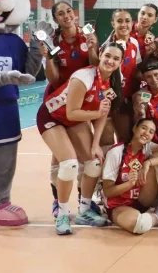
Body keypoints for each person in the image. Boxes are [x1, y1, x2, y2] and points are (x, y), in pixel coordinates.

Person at [38, 44, 123, 234]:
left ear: (120, 62)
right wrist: (96, 112)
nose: (111, 61)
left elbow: (103, 114)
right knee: (69, 164)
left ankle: (84, 210)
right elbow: (71, 112)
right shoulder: (83, 77)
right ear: (100, 55)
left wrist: (95, 145)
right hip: (52, 117)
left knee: (94, 162)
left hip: (76, 118)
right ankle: (62, 214)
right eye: (107, 56)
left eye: (116, 59)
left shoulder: (114, 81)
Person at [42, 0, 99, 217]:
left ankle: (83, 201)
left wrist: (94, 47)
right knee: (62, 157)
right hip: (58, 101)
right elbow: (55, 79)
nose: (67, 16)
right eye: (61, 14)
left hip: (80, 102)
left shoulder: (88, 35)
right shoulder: (53, 41)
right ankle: (58, 202)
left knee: (86, 159)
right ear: (56, 19)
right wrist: (47, 59)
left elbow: (95, 65)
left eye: (69, 12)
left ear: (74, 14)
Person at [101, 118, 158, 233]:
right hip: (119, 205)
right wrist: (129, 184)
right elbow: (108, 192)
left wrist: (148, 163)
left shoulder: (147, 148)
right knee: (139, 225)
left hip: (141, 200)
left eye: (151, 132)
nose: (147, 133)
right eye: (144, 128)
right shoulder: (116, 152)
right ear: (134, 128)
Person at [104, 9, 142, 143]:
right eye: (119, 21)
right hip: (116, 100)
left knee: (133, 136)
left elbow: (136, 69)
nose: (124, 24)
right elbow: (102, 77)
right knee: (123, 139)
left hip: (132, 97)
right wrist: (116, 100)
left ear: (132, 23)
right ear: (112, 24)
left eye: (127, 21)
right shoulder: (106, 48)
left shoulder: (135, 43)